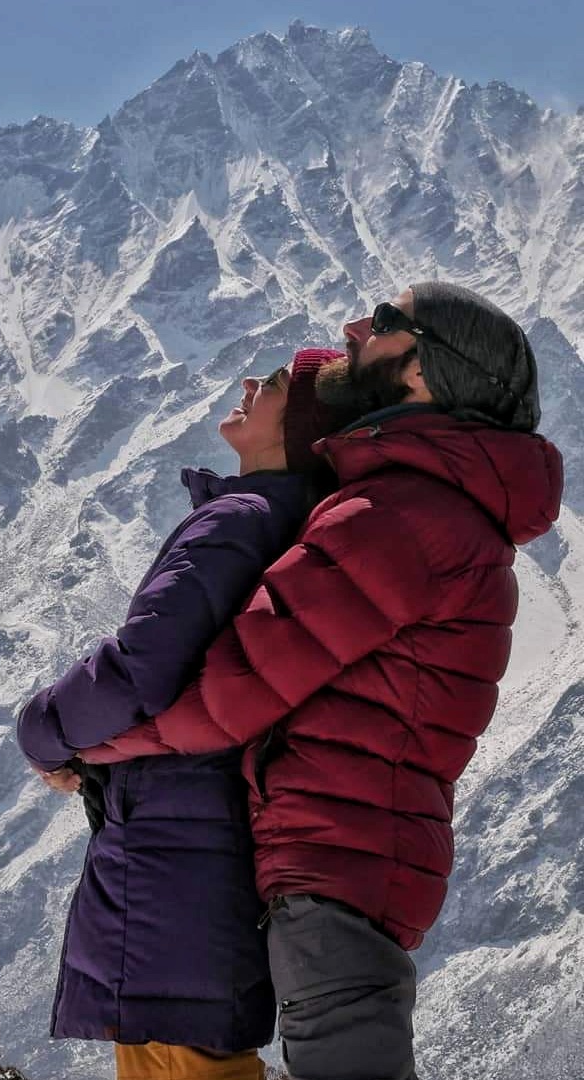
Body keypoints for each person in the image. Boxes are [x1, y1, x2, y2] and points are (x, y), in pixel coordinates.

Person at [78, 283, 565, 1080]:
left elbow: (234, 691)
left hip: (340, 859)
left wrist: (89, 740)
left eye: (381, 323)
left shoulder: (398, 516)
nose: (352, 328)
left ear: (421, 377)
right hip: (351, 850)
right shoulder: (421, 506)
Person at [18, 349, 360, 1080]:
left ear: (302, 428)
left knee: (178, 1056)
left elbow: (141, 666)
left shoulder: (239, 521)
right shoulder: (288, 524)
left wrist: (45, 732)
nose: (247, 385)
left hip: (172, 851)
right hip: (211, 839)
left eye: (270, 386)